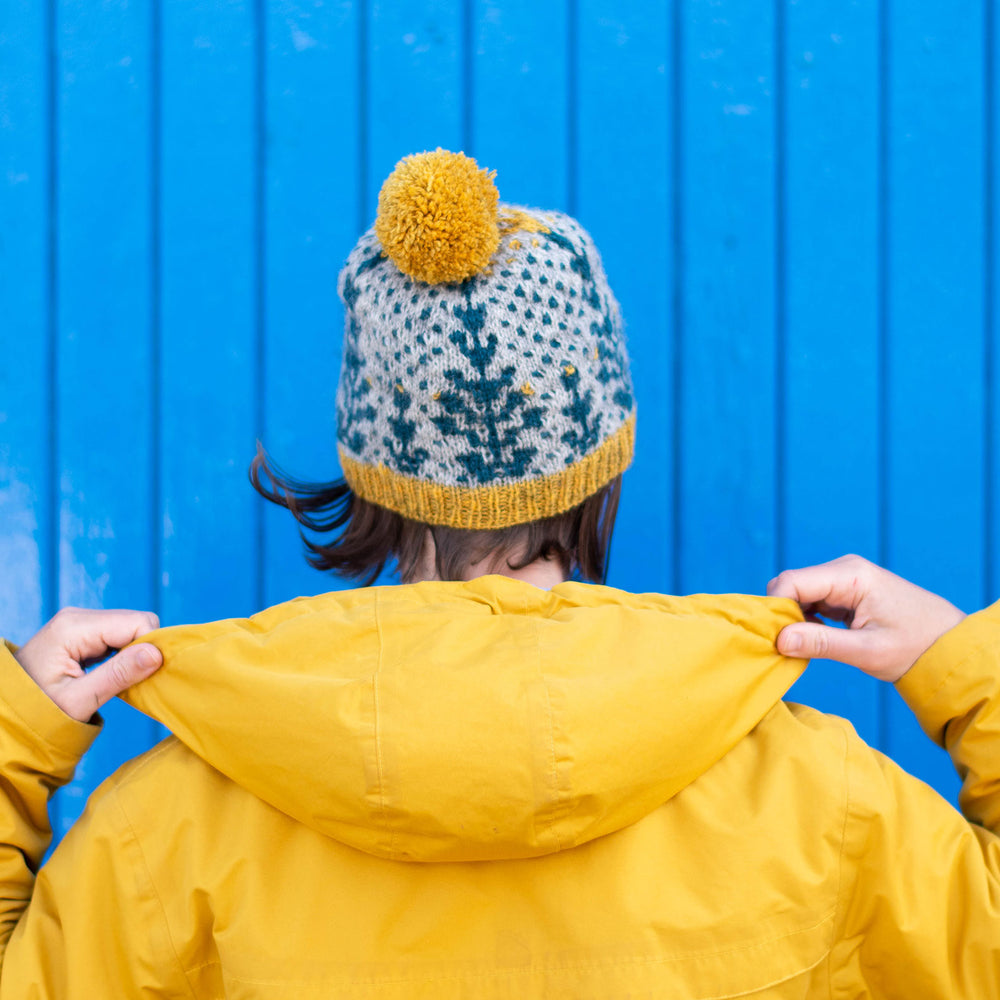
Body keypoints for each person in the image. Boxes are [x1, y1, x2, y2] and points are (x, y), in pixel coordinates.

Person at [0, 151, 997, 996]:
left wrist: (15, 741)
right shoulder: (818, 801)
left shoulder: (169, 830)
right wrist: (966, 669)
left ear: (371, 460)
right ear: (601, 463)